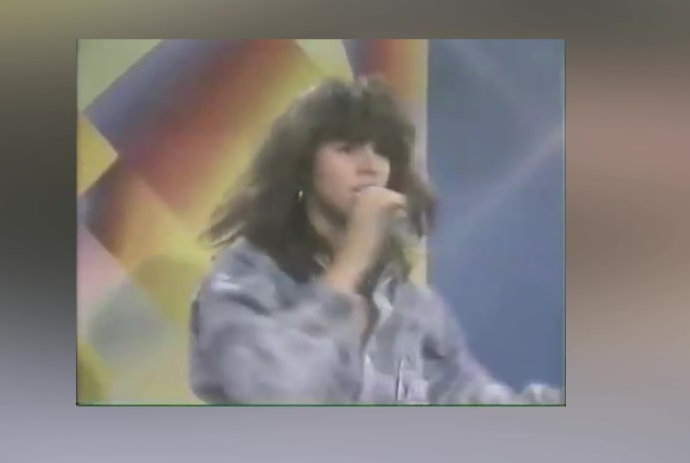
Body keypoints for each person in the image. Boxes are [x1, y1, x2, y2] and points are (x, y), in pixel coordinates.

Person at [188, 75, 563, 404]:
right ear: (303, 166)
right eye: (347, 149)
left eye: (382, 151)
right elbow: (276, 394)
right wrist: (353, 259)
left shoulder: (410, 305)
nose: (370, 166)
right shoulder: (245, 281)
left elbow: (472, 402)